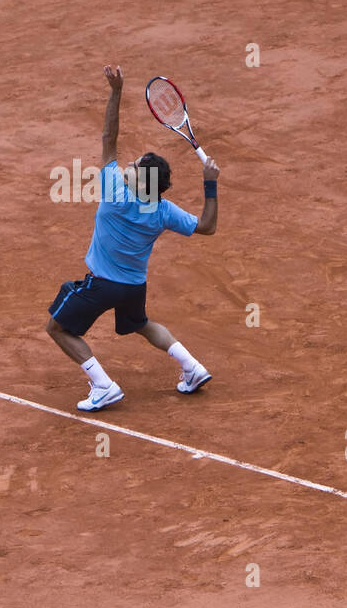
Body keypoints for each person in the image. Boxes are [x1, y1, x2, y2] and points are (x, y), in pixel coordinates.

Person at [45, 66, 219, 413]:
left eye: (135, 165)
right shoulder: (163, 210)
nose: (129, 163)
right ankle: (192, 367)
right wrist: (210, 183)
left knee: (58, 328)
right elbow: (207, 226)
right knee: (139, 323)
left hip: (102, 285)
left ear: (140, 180)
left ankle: (103, 385)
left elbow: (109, 138)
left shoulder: (115, 192)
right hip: (133, 286)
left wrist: (116, 90)